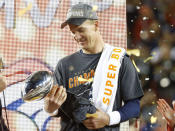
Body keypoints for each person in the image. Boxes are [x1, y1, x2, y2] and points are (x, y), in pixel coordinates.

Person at [44, 3, 144, 131]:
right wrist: (50, 108)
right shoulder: (64, 64)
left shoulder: (119, 60)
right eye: (73, 32)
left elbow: (134, 106)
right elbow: (57, 109)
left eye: (81, 30)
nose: (76, 36)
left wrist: (108, 118)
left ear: (96, 25)